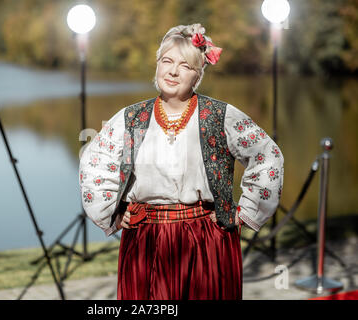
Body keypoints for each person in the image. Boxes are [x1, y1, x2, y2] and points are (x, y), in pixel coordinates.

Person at [79, 23, 284, 300]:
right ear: (157, 66)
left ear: (197, 75)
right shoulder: (131, 119)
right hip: (145, 238)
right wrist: (112, 211)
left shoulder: (220, 116)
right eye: (167, 61)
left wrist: (246, 211)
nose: (173, 71)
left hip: (206, 237)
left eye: (185, 66)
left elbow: (267, 155)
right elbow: (95, 161)